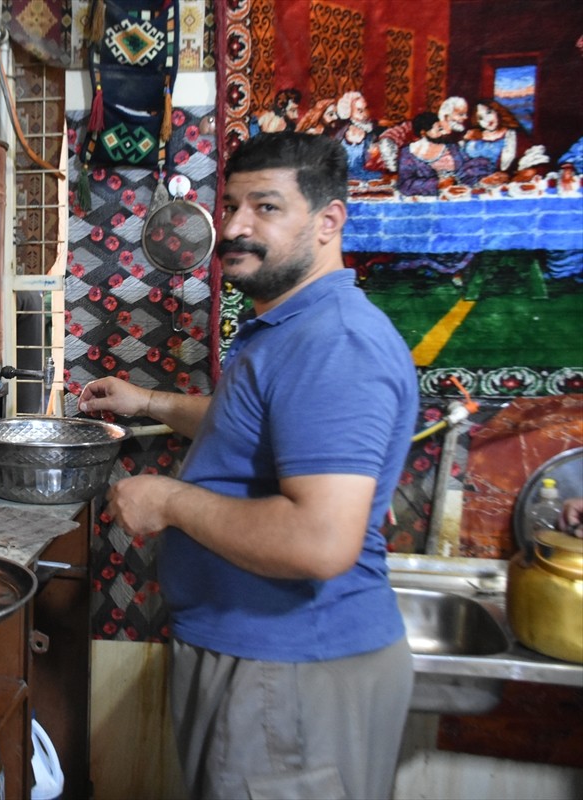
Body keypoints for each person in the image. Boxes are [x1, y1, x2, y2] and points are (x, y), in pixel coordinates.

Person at [78, 132, 418, 800]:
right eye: (230, 204)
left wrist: (169, 503)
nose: (234, 226)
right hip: (264, 663)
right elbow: (260, 428)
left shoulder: (335, 344)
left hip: (288, 674)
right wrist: (148, 401)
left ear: (329, 222)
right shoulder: (291, 328)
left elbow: (319, 541)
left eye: (265, 207)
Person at [397, 111, 492, 197]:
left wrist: (485, 177)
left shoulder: (451, 147)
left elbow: (468, 167)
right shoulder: (409, 153)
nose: (443, 132)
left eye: (441, 128)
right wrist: (437, 184)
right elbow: (405, 185)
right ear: (423, 133)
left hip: (459, 196)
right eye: (438, 130)